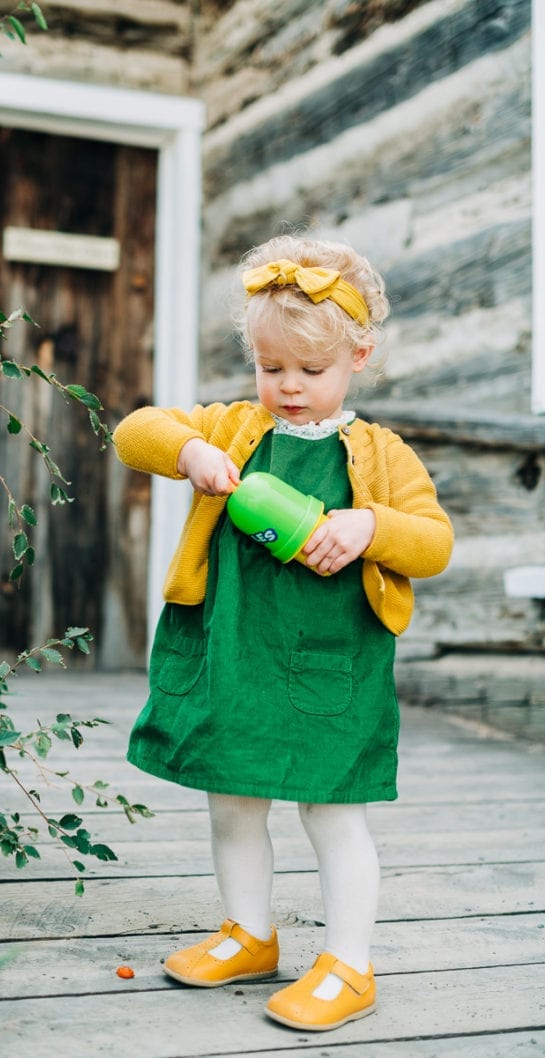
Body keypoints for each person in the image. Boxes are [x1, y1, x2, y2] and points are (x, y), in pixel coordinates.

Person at [113, 234, 453, 1032]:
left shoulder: (379, 453)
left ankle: (348, 965)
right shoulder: (234, 427)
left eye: (310, 371)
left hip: (330, 662)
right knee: (232, 798)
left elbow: (433, 543)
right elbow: (135, 429)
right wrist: (191, 449)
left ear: (359, 355)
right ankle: (249, 932)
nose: (288, 388)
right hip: (237, 649)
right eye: (271, 370)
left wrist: (370, 526)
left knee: (330, 811)